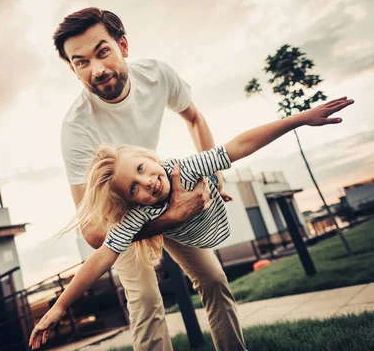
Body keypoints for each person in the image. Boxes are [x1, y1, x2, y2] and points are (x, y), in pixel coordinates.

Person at [30, 96, 354, 350]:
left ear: (150, 157)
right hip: (168, 224)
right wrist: (60, 307)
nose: (147, 184)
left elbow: (238, 146)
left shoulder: (184, 168)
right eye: (134, 188)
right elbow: (102, 256)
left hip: (202, 211)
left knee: (214, 278)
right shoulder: (139, 214)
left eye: (142, 169)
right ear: (130, 201)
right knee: (144, 297)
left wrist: (300, 119)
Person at [56, 7, 242, 351]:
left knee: (214, 279)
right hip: (119, 218)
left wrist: (212, 179)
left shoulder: (156, 75)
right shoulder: (76, 128)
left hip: (160, 191)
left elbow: (194, 117)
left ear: (123, 45)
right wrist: (170, 219)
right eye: (81, 62)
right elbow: (93, 232)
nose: (96, 70)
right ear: (72, 68)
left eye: (102, 52)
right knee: (145, 299)